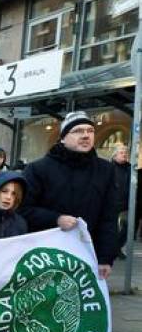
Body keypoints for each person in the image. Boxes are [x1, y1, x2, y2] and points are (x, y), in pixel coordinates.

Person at [22, 111, 119, 278]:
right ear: (63, 138)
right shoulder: (38, 169)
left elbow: (108, 216)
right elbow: (23, 209)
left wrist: (106, 257)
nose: (86, 135)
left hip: (88, 254)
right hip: (46, 254)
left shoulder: (106, 170)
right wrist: (56, 219)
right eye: (78, 131)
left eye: (90, 131)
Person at [111, 143, 131, 258]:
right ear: (115, 155)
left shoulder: (130, 168)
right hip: (113, 204)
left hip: (127, 204)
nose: (124, 155)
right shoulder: (109, 168)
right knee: (113, 229)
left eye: (126, 153)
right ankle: (115, 249)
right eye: (121, 153)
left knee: (128, 227)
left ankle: (116, 247)